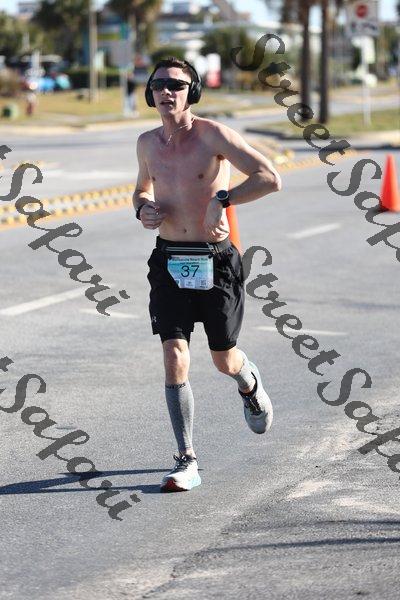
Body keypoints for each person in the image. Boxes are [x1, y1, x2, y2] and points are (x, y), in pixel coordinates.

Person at [133, 57, 282, 493]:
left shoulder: (213, 135)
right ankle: (187, 459)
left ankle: (247, 381)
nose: (167, 91)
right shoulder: (146, 143)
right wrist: (142, 208)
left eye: (176, 85)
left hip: (215, 261)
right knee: (175, 354)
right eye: (159, 84)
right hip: (169, 259)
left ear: (192, 91)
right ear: (150, 93)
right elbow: (141, 187)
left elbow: (269, 177)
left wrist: (223, 199)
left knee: (223, 359)